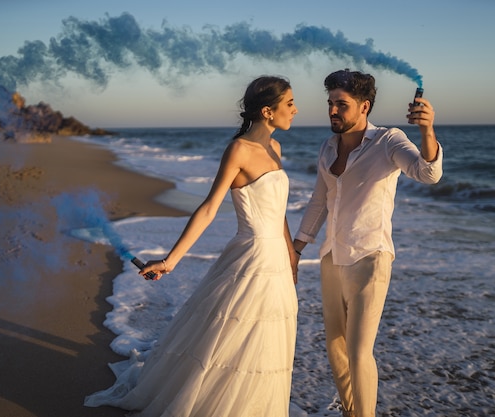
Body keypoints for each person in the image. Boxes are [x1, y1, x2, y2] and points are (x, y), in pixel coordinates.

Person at [85, 76, 300, 416]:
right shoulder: (240, 149)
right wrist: (170, 261)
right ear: (268, 111)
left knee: (269, 340)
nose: (296, 110)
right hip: (252, 256)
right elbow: (209, 207)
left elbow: (280, 212)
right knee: (231, 335)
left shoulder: (276, 148)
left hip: (276, 258)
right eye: (290, 103)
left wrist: (291, 255)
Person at [292, 69, 443, 417]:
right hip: (330, 257)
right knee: (335, 348)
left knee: (360, 352)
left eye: (341, 104)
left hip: (370, 258)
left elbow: (429, 174)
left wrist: (427, 129)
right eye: (330, 103)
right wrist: (296, 249)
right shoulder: (328, 147)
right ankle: (351, 411)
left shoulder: (388, 140)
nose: (332, 110)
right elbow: (319, 202)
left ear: (364, 106)